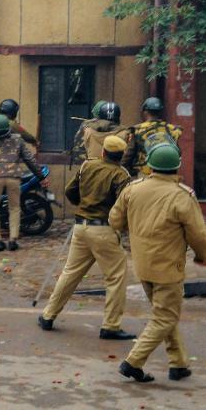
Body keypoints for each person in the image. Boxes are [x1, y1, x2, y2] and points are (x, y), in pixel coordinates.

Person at [110, 144, 206, 383]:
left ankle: (179, 363)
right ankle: (133, 362)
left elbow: (114, 220)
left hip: (142, 264)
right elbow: (199, 235)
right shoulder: (182, 195)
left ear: (149, 164)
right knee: (165, 316)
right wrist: (202, 256)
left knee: (164, 314)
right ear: (177, 167)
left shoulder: (133, 189)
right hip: (168, 267)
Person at [38, 135, 135, 339]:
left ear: (103, 152)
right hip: (104, 230)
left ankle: (48, 315)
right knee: (116, 277)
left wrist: (84, 204)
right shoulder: (121, 175)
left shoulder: (87, 166)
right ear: (121, 156)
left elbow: (69, 191)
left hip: (81, 228)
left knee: (70, 273)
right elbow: (123, 206)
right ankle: (111, 325)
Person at [0, 115, 47, 252]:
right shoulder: (17, 140)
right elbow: (29, 159)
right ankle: (13, 239)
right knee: (14, 208)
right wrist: (41, 176)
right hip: (14, 177)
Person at [121, 97, 182, 177]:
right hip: (167, 175)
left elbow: (128, 156)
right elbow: (178, 153)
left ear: (145, 112)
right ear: (160, 112)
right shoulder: (172, 129)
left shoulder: (137, 130)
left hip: (143, 175)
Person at [69, 100, 106, 165]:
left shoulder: (86, 124)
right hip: (92, 162)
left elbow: (77, 146)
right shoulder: (89, 125)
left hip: (88, 162)